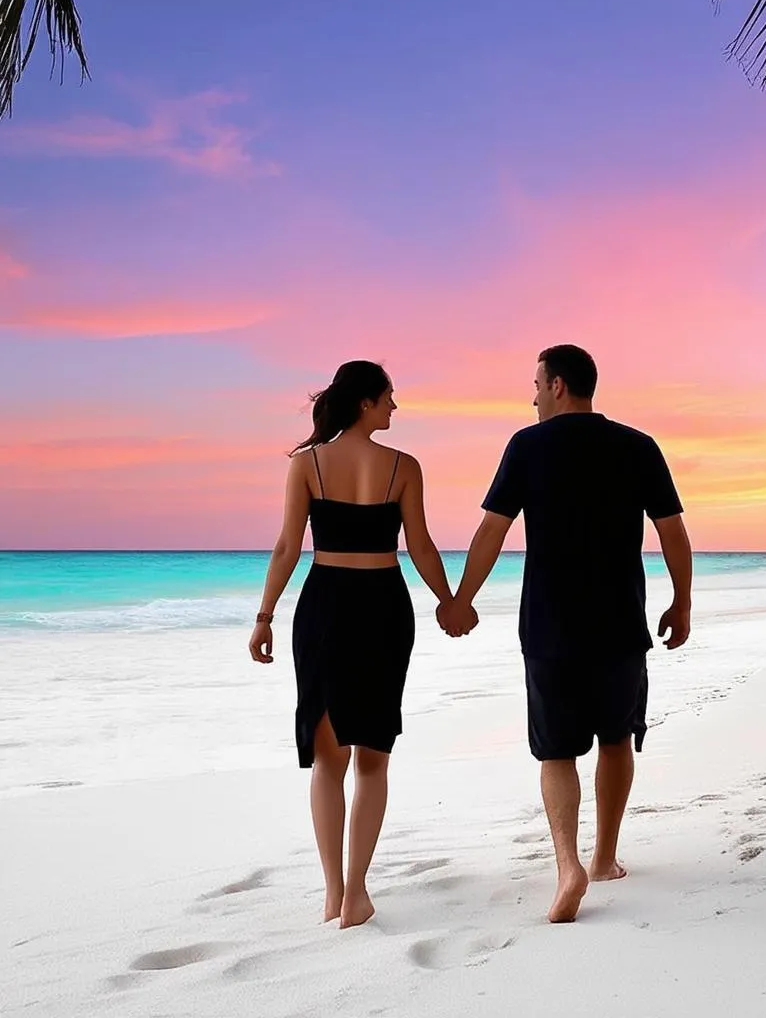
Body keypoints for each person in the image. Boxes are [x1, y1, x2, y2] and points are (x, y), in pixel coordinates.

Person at [443, 345, 692, 924]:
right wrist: (682, 600)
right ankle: (605, 858)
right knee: (615, 738)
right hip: (620, 622)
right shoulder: (638, 446)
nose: (531, 396)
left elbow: (491, 531)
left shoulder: (527, 447)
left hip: (550, 626)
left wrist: (462, 600)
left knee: (555, 749)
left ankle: (567, 866)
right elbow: (674, 532)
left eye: (535, 384)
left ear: (557, 385)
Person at [248, 361, 476, 928]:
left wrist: (264, 615)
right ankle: (356, 895)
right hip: (382, 606)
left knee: (328, 760)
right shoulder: (403, 468)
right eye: (389, 398)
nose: (395, 407)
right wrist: (449, 601)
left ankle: (333, 893)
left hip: (323, 603)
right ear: (365, 404)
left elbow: (285, 549)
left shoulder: (307, 465)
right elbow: (420, 546)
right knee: (372, 758)